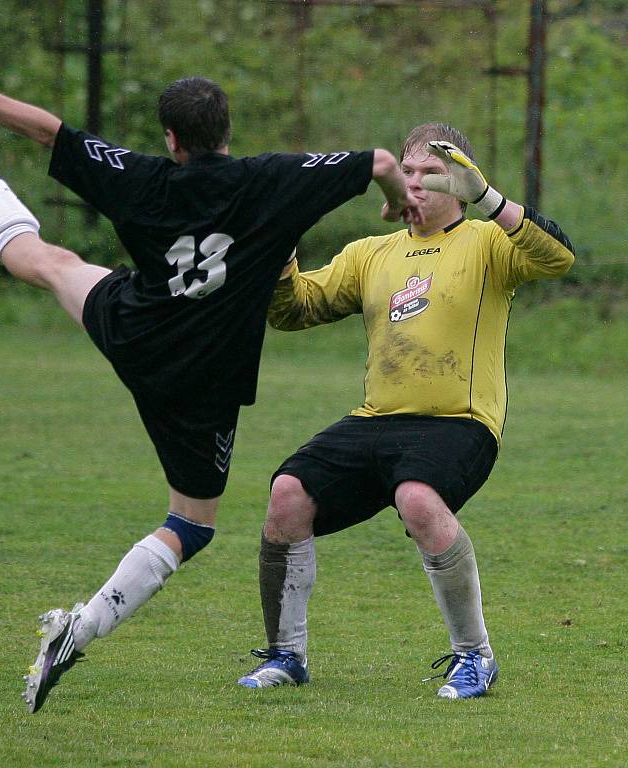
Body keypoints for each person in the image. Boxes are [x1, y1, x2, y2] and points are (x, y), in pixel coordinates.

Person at [0, 42, 421, 713]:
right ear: (226, 133)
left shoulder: (143, 179)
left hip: (137, 330)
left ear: (172, 139)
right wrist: (392, 203)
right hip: (205, 382)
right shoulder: (272, 180)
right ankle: (80, 628)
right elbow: (384, 163)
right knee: (191, 523)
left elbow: (47, 130)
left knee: (49, 263)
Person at [237, 123, 575, 698]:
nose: (413, 183)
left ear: (459, 181)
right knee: (286, 493)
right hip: (378, 419)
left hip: (459, 422)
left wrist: (489, 201)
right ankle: (286, 656)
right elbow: (295, 311)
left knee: (417, 497)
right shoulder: (371, 253)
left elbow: (560, 258)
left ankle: (476, 658)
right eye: (406, 171)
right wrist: (279, 252)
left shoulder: (488, 242)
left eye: (430, 173)